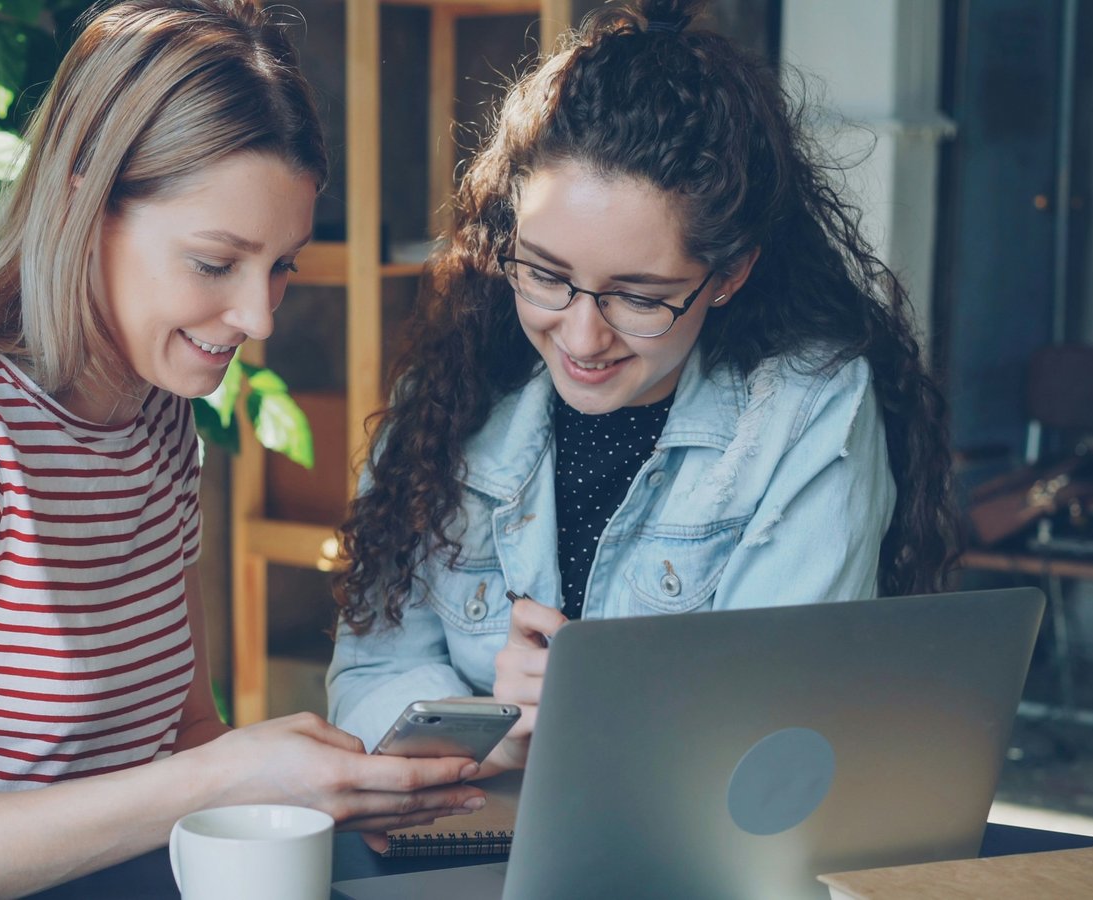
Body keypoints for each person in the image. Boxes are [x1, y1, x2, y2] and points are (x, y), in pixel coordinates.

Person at [0, 2, 487, 897]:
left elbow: (180, 744)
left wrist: (318, 792)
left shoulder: (152, 421)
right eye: (216, 263)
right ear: (83, 195)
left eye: (282, 265)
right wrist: (221, 778)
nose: (259, 318)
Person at [327, 0, 959, 779]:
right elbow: (368, 677)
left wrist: (596, 710)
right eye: (547, 275)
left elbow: (777, 733)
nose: (584, 337)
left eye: (639, 296)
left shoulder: (810, 412)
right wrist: (489, 726)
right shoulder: (453, 391)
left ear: (729, 274)